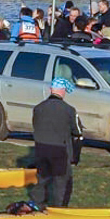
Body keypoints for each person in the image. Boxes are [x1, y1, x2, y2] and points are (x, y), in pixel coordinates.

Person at [29, 77, 82, 207]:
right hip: (60, 151)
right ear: (63, 91)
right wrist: (75, 156)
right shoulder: (69, 110)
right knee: (62, 183)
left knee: (41, 180)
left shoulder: (38, 108)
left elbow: (35, 125)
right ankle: (60, 209)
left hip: (41, 149)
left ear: (51, 90)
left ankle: (37, 206)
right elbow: (78, 132)